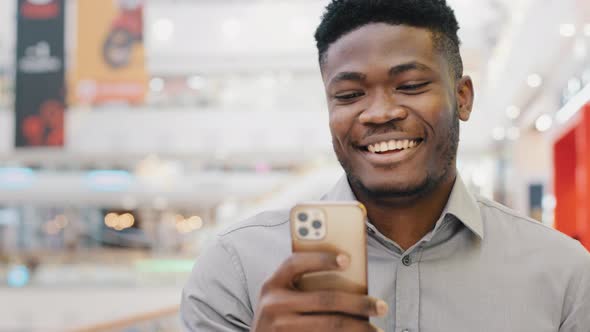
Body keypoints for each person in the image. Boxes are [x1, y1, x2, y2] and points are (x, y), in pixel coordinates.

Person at [181, 0, 590, 331]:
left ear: (463, 97)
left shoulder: (565, 276)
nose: (379, 113)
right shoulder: (235, 271)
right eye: (348, 95)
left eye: (410, 86)